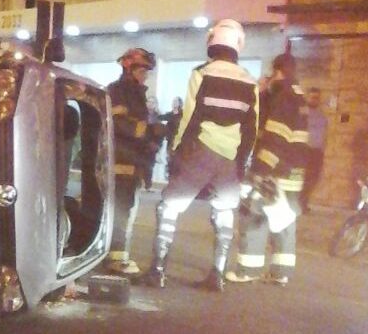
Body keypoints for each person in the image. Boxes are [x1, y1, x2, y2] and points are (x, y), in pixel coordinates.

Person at [139, 19, 259, 292]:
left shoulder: (202, 73)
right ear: (237, 45)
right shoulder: (250, 82)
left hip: (201, 151)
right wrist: (241, 163)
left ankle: (157, 272)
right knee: (224, 212)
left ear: (213, 41)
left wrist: (177, 151)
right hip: (230, 159)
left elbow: (190, 116)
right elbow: (252, 127)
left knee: (168, 207)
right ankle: (217, 275)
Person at [226, 53, 308, 285]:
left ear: (278, 71)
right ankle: (281, 272)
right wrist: (263, 94)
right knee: (284, 220)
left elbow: (275, 135)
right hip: (292, 172)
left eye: (271, 73)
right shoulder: (297, 95)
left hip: (274, 171)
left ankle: (247, 270)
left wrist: (259, 170)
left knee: (253, 215)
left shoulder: (284, 97)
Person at [106, 47, 162, 276]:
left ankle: (116, 255)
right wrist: (149, 131)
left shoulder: (138, 93)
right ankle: (116, 259)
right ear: (128, 68)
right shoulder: (118, 91)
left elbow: (141, 124)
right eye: (142, 70)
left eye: (147, 71)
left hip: (134, 161)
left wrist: (154, 138)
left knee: (126, 209)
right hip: (122, 161)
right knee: (121, 211)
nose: (145, 75)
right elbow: (118, 123)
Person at [300, 87, 327, 211]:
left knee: (313, 178)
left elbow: (324, 134)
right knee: (303, 178)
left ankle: (304, 202)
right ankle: (299, 203)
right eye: (312, 97)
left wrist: (322, 150)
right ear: (308, 97)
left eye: (317, 98)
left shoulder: (322, 116)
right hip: (304, 151)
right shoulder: (301, 113)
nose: (315, 100)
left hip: (317, 152)